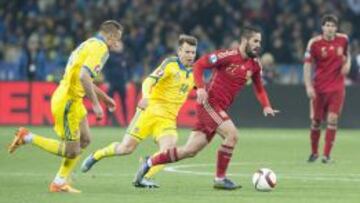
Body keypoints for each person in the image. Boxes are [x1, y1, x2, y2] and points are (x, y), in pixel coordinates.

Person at [133, 26, 279, 190]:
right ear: (245, 41)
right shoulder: (227, 56)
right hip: (209, 104)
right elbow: (199, 65)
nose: (258, 45)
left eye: (260, 41)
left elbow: (259, 87)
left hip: (219, 107)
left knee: (189, 151)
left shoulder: (255, 65)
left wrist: (266, 106)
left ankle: (149, 162)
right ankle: (220, 178)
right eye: (255, 41)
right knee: (232, 135)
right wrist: (201, 87)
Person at [8, 20, 123, 193]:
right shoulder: (101, 49)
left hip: (73, 99)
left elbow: (84, 77)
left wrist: (105, 97)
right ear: (110, 35)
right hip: (68, 101)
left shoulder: (89, 43)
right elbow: (84, 76)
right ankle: (27, 137)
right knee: (72, 151)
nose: (117, 43)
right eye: (117, 38)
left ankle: (59, 182)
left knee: (85, 140)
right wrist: (96, 104)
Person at [81, 35, 198, 188]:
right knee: (125, 149)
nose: (190, 56)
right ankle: (96, 155)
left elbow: (204, 90)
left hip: (168, 119)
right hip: (149, 112)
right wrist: (146, 97)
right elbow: (148, 81)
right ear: (179, 51)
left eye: (193, 52)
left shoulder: (195, 73)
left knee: (168, 152)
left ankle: (143, 176)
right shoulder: (170, 64)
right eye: (187, 52)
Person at [304, 14, 351, 163]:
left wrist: (347, 65)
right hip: (319, 88)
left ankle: (326, 155)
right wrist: (308, 86)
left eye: (332, 25)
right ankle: (314, 153)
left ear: (336, 28)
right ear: (322, 27)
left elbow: (347, 55)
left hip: (337, 87)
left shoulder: (343, 39)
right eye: (327, 25)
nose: (330, 28)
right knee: (316, 121)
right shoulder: (314, 43)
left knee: (333, 119)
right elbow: (307, 65)